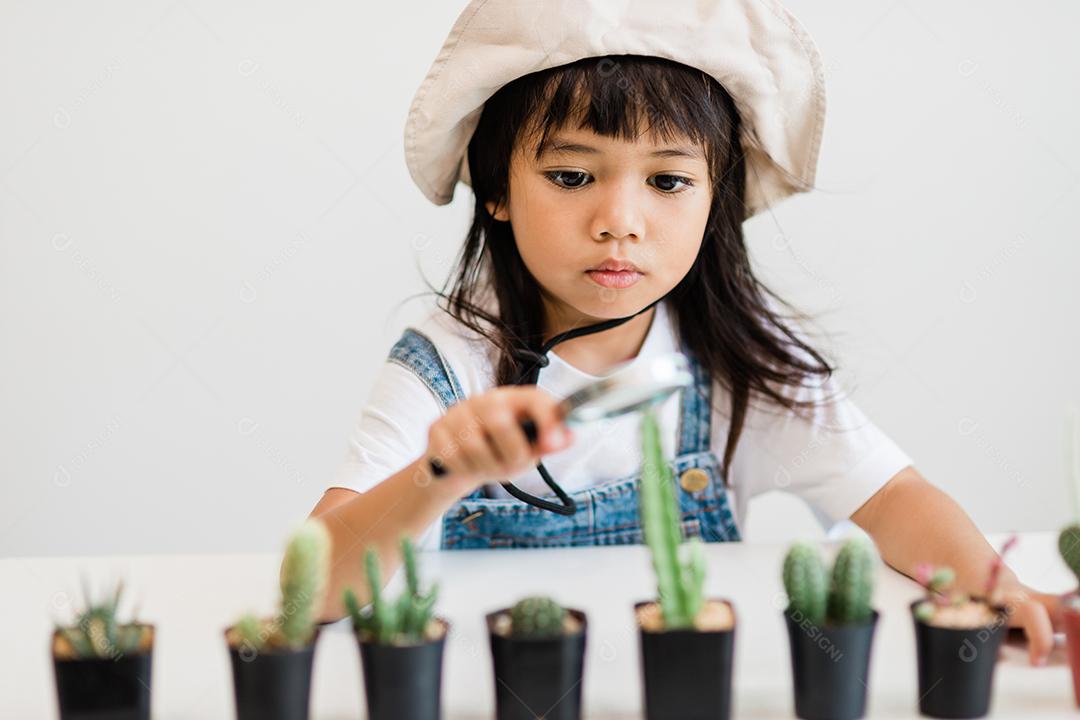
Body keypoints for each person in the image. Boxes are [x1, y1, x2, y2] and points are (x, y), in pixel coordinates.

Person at [305, 0, 1060, 663]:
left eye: (667, 181)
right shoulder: (448, 363)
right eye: (572, 176)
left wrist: (996, 585)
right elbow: (308, 591)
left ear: (715, 199)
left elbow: (896, 499)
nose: (619, 224)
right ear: (498, 188)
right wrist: (438, 476)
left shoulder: (738, 364)